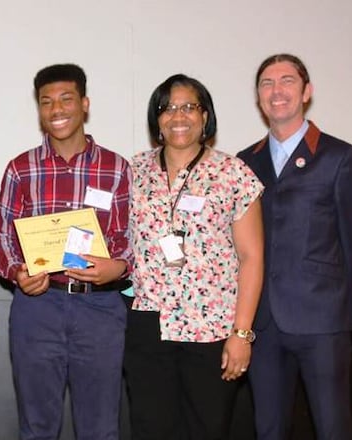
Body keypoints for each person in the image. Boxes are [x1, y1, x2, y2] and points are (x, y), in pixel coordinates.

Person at [237, 54, 352, 440]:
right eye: (266, 83)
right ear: (258, 97)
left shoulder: (340, 157)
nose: (276, 91)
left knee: (332, 427)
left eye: (287, 81)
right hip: (262, 323)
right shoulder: (245, 162)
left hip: (322, 321)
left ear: (306, 91)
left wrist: (331, 294)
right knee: (269, 429)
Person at [0, 63, 132, 439]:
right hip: (39, 308)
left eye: (66, 99)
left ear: (84, 104)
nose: (57, 110)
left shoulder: (116, 168)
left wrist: (117, 268)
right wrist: (18, 272)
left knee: (101, 428)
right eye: (46, 102)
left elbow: (129, 237)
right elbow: (4, 237)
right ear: (39, 110)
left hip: (99, 310)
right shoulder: (21, 169)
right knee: (37, 427)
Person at [123, 74, 264, 439]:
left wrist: (242, 334)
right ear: (157, 119)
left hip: (212, 328)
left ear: (205, 116)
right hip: (148, 325)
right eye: (167, 108)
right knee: (150, 429)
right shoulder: (133, 171)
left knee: (206, 430)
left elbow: (252, 257)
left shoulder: (233, 173)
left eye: (189, 107)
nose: (178, 116)